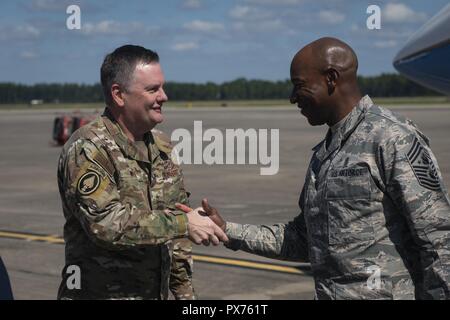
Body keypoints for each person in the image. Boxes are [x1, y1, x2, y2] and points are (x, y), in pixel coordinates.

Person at [199, 37, 450, 300]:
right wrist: (227, 230)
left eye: (300, 86)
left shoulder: (392, 138)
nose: (292, 98)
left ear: (331, 78)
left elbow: (439, 239)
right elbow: (303, 239)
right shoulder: (325, 154)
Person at [57, 45, 227, 300]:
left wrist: (186, 296)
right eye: (153, 89)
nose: (164, 96)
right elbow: (105, 224)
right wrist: (183, 223)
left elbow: (178, 232)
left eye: (162, 87)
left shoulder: (162, 147)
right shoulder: (89, 148)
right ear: (119, 94)